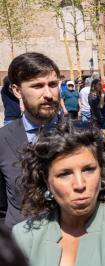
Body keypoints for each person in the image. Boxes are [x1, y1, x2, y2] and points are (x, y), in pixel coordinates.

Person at [12, 120, 105, 266]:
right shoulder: (25, 236)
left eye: (88, 170)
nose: (80, 184)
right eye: (64, 174)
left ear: (101, 171)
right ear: (46, 180)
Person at [0, 52, 62, 227]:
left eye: (53, 84)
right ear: (17, 90)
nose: (48, 94)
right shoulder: (3, 140)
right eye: (37, 86)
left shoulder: (81, 135)